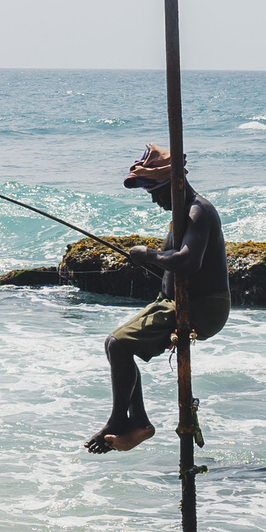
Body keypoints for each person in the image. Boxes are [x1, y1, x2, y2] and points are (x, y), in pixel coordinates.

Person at [89, 144, 231, 453]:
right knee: (116, 346)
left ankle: (122, 421)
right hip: (173, 301)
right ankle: (137, 421)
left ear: (173, 185)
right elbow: (180, 263)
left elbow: (189, 260)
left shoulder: (198, 210)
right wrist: (155, 263)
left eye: (156, 192)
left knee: (118, 343)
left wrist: (149, 254)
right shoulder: (182, 215)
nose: (154, 200)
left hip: (204, 306)